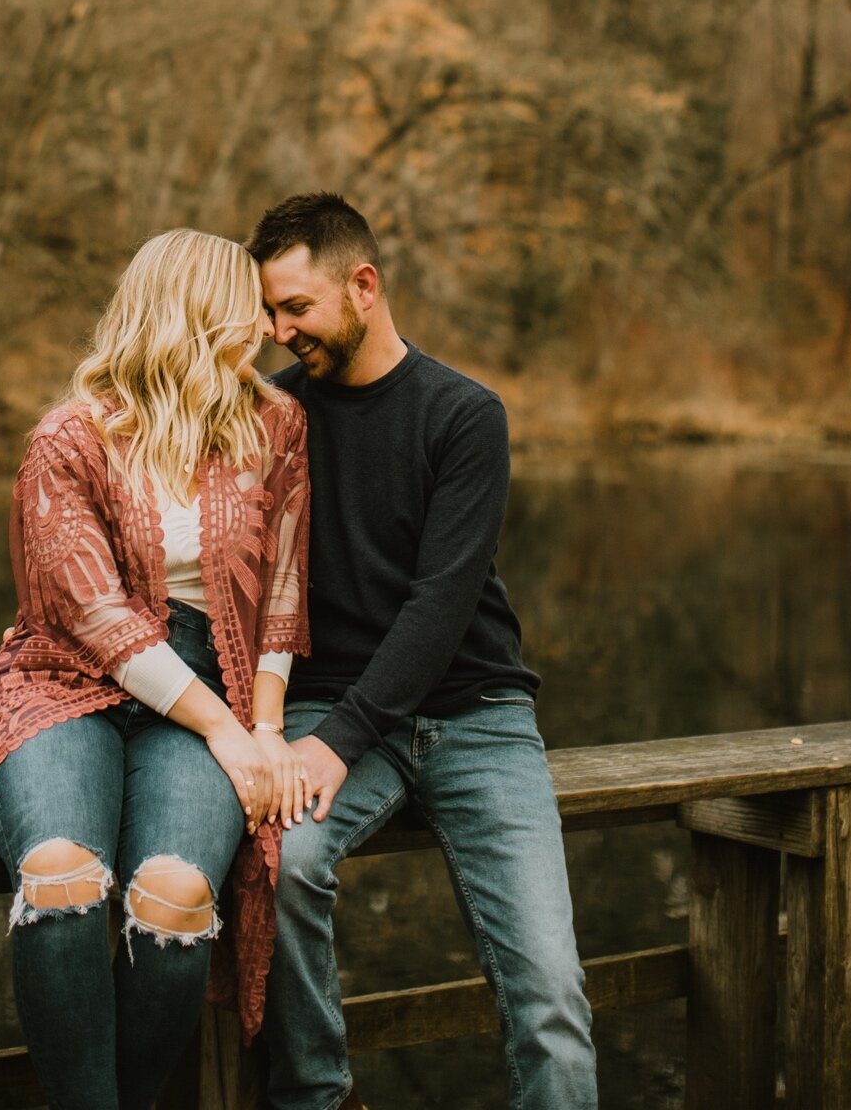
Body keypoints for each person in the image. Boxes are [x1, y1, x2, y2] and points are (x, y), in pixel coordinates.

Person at [0, 228, 312, 1110]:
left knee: (174, 896)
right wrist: (226, 730)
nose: (265, 323)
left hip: (215, 674)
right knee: (61, 875)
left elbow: (284, 591)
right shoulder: (70, 438)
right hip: (62, 683)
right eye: (246, 303)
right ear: (196, 313)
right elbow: (94, 616)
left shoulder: (274, 424)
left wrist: (263, 725)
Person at [248, 193, 597, 1110]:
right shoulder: (272, 416)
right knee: (281, 865)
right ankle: (319, 1099)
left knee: (551, 995)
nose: (280, 331)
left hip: (476, 715)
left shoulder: (464, 414)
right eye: (270, 312)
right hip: (332, 711)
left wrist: (335, 741)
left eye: (297, 308)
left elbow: (441, 604)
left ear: (363, 285)